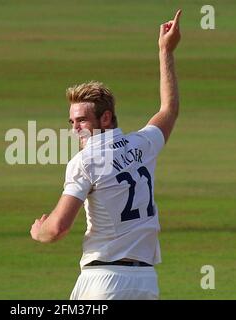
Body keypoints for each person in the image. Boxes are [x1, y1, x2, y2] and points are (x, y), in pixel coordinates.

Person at [30, 9, 182, 300]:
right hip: (145, 282)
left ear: (106, 118)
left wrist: (39, 231)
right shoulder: (142, 144)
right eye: (72, 122)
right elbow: (168, 110)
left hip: (104, 281)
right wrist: (166, 51)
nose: (75, 129)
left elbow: (58, 228)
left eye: (82, 121)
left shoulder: (84, 163)